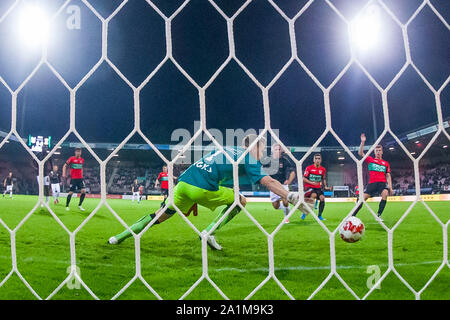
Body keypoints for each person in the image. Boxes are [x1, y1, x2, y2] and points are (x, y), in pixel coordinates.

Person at [109, 135, 312, 250]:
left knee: (158, 217)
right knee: (240, 201)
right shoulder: (249, 158)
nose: (262, 154)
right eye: (262, 150)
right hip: (202, 188)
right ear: (255, 148)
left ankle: (119, 237)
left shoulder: (228, 149)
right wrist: (290, 196)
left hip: (183, 184)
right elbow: (268, 181)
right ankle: (209, 232)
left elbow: (223, 170)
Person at [352, 133, 393, 222]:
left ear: (382, 151)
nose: (378, 152)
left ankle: (378, 215)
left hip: (382, 184)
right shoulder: (370, 160)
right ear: (374, 152)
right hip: (372, 184)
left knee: (385, 194)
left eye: (379, 150)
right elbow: (360, 153)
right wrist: (362, 142)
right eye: (376, 150)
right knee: (362, 200)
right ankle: (353, 215)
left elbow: (388, 175)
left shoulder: (386, 163)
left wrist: (390, 186)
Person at [264, 143, 296, 223]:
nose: (278, 151)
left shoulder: (285, 160)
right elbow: (262, 170)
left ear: (281, 150)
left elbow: (293, 172)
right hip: (273, 186)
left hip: (283, 185)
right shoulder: (268, 160)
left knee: (285, 200)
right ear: (272, 150)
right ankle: (287, 208)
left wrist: (289, 181)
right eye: (276, 149)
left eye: (279, 149)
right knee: (276, 206)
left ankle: (286, 217)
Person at [301, 153, 331, 221]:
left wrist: (325, 186)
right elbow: (304, 178)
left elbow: (323, 179)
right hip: (309, 187)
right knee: (313, 196)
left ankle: (319, 216)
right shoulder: (309, 168)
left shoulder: (323, 169)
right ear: (313, 160)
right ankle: (304, 212)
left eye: (319, 159)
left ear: (321, 160)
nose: (317, 160)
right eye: (316, 158)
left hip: (318, 188)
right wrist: (311, 182)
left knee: (322, 198)